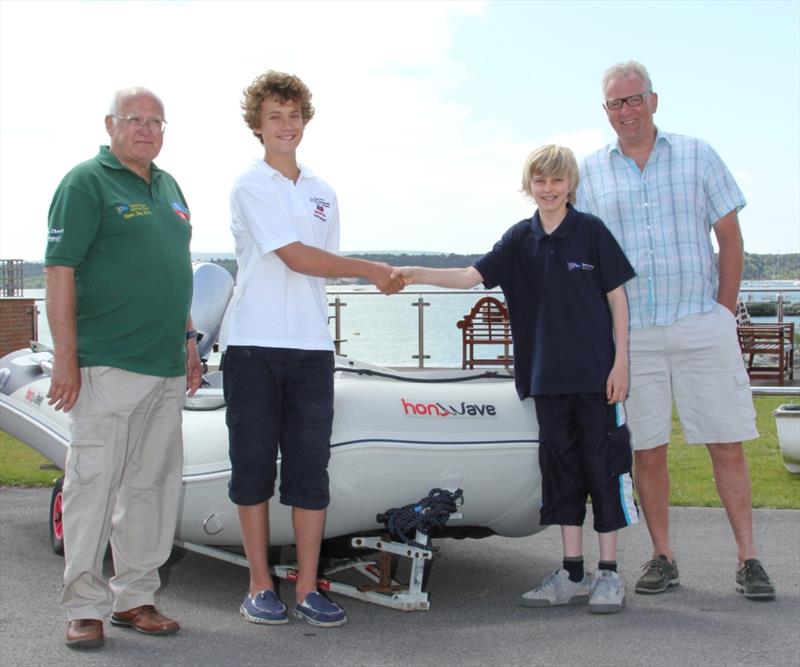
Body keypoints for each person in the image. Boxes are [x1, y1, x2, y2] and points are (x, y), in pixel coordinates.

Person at [393, 144, 638, 614]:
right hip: (545, 379)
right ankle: (571, 573)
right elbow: (469, 276)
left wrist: (621, 362)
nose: (548, 189)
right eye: (540, 181)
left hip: (597, 378)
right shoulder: (518, 240)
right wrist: (415, 272)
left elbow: (618, 299)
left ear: (570, 185)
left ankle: (608, 574)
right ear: (529, 186)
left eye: (557, 180)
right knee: (561, 473)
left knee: (603, 470)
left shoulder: (591, 233)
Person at [576, 61, 775, 600]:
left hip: (698, 322)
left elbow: (730, 238)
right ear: (606, 112)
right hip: (633, 333)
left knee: (726, 443)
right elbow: (583, 257)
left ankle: (748, 558)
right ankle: (663, 556)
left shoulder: (698, 154)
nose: (626, 111)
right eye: (615, 104)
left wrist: (721, 310)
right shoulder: (589, 172)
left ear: (654, 101)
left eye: (634, 100)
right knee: (648, 450)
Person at [221, 70, 404, 628]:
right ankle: (258, 585)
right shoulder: (250, 185)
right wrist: (371, 269)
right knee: (252, 467)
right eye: (274, 116)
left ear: (305, 120)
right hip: (252, 346)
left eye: (294, 114)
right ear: (257, 125)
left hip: (310, 349)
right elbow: (297, 258)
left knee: (310, 471)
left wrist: (360, 270)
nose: (286, 125)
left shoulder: (323, 191)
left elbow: (319, 268)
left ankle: (305, 588)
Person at [45, 87, 202, 649]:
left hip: (163, 366)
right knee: (92, 485)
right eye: (135, 119)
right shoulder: (86, 182)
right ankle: (83, 606)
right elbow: (59, 269)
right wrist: (67, 358)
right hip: (106, 363)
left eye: (156, 121)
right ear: (111, 124)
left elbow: (174, 269)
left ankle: (135, 597)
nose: (146, 129)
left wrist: (188, 340)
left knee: (151, 488)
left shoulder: (170, 186)